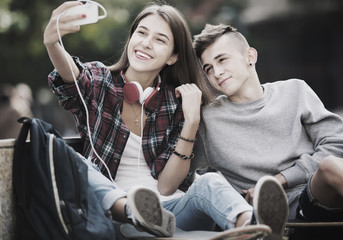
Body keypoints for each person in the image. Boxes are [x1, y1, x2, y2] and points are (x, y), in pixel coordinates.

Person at [43, 2, 283, 239]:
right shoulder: (99, 82)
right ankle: (132, 211)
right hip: (116, 217)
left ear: (172, 57)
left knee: (208, 182)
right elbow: (70, 74)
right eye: (142, 33)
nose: (146, 43)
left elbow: (167, 187)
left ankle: (252, 227)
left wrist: (191, 121)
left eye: (160, 40)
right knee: (68, 155)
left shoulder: (174, 101)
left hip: (171, 215)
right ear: (131, 38)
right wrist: (52, 43)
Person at [191, 23, 343, 239]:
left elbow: (339, 146)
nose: (217, 72)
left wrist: (280, 179)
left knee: (331, 165)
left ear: (250, 56)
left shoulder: (295, 91)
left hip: (321, 191)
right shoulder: (207, 120)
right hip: (286, 219)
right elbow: (183, 179)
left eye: (222, 60)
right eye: (209, 68)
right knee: (330, 167)